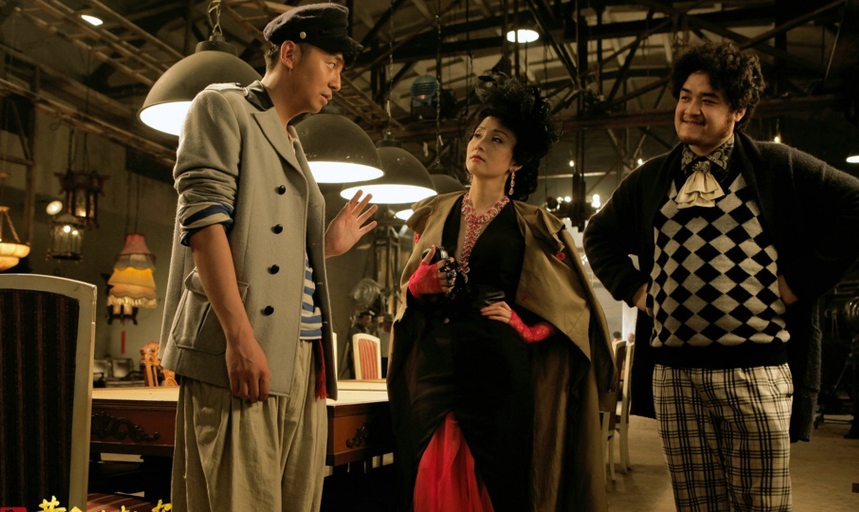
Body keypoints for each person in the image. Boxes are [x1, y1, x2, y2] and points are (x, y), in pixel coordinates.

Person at [583, 41, 859, 511]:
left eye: (708, 100)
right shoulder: (652, 178)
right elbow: (598, 235)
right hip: (675, 379)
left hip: (755, 373)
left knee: (762, 505)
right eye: (685, 96)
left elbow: (854, 204)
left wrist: (798, 282)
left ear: (738, 110)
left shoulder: (776, 167)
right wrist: (636, 290)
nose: (690, 109)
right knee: (696, 506)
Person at [158, 4, 378, 510]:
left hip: (303, 353)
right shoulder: (223, 107)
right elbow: (204, 225)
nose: (338, 82)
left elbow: (265, 245)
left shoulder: (292, 138)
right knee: (238, 499)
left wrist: (324, 246)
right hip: (246, 343)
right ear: (290, 53)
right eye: (332, 64)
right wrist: (239, 338)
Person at [387, 75, 616, 512]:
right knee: (429, 475)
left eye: (497, 139)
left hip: (498, 369)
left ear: (516, 160)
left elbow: (574, 308)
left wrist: (527, 329)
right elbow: (406, 294)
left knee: (497, 481)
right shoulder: (436, 212)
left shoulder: (532, 224)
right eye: (478, 134)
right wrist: (417, 287)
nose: (481, 144)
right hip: (434, 366)